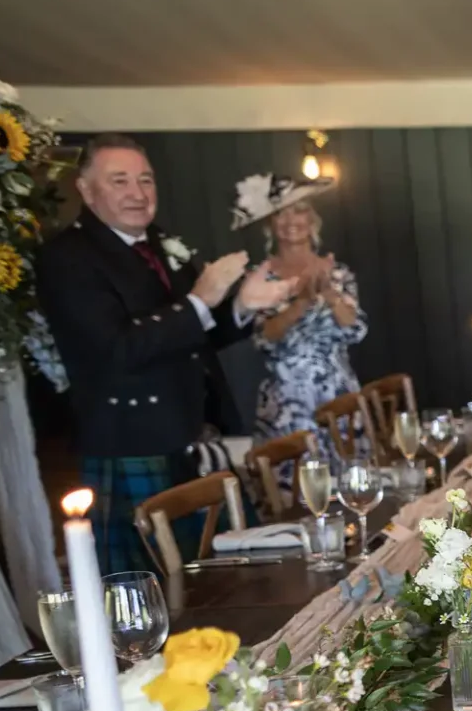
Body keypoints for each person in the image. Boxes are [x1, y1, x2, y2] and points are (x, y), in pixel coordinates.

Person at [36, 134, 293, 571]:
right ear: (86, 189)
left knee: (226, 577)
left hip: (188, 435)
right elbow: (117, 349)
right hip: (129, 442)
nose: (137, 193)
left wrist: (244, 304)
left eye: (146, 180)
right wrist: (200, 300)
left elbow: (195, 333)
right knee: (149, 588)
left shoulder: (157, 244)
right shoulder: (67, 259)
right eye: (120, 181)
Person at [229, 174, 366, 460]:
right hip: (286, 404)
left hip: (338, 396)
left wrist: (328, 293)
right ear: (270, 223)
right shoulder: (259, 278)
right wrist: (302, 301)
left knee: (350, 488)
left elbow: (355, 330)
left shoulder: (337, 272)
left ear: (313, 220)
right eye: (281, 214)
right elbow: (265, 339)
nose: (292, 221)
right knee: (291, 493)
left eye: (300, 211)